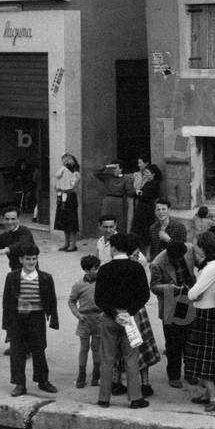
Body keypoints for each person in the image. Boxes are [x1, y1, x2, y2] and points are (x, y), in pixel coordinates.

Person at [94, 231, 151, 409]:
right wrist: (129, 312)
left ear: (114, 248)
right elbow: (144, 295)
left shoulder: (104, 269)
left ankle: (104, 398)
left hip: (110, 318)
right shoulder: (137, 268)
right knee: (131, 358)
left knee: (107, 358)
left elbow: (99, 299)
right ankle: (135, 398)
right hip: (130, 317)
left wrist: (114, 313)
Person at [3, 244, 59, 397]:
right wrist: (6, 324)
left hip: (37, 318)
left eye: (34, 259)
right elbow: (7, 301)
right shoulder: (13, 277)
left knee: (39, 349)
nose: (31, 262)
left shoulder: (45, 278)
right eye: (28, 259)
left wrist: (53, 318)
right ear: (21, 260)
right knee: (17, 352)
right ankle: (19, 384)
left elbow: (52, 300)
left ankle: (43, 380)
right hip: (17, 319)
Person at [184, 229, 215, 409]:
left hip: (207, 314)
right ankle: (207, 393)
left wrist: (193, 292)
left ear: (203, 248)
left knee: (205, 359)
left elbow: (192, 294)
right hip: (205, 312)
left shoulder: (212, 268)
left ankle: (214, 397)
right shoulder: (211, 265)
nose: (194, 248)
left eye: (197, 245)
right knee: (201, 358)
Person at [151, 238, 197, 389]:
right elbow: (154, 287)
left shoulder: (189, 249)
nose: (178, 260)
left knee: (191, 340)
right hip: (171, 303)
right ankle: (174, 376)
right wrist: (170, 288)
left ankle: (190, 372)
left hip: (189, 299)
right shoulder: (157, 263)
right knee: (173, 343)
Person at [68, 255, 103, 388]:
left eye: (98, 268)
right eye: (95, 269)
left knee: (96, 348)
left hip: (99, 319)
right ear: (86, 270)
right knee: (84, 348)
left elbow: (107, 299)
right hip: (84, 319)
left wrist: (104, 313)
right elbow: (71, 301)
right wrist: (77, 314)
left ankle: (96, 374)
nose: (98, 271)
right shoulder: (78, 285)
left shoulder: (102, 282)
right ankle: (81, 374)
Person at [0, 205, 38, 273]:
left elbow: (23, 243)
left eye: (13, 219)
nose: (10, 222)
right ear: (3, 219)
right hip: (14, 272)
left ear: (18, 219)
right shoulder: (2, 237)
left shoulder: (25, 231)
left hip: (32, 272)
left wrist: (6, 250)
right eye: (7, 219)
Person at [93, 161, 131, 234]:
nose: (114, 170)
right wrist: (107, 166)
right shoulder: (108, 177)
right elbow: (96, 173)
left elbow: (129, 190)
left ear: (121, 169)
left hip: (119, 201)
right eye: (113, 169)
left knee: (119, 221)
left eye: (116, 168)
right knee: (105, 220)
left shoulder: (125, 178)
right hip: (108, 200)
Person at [131, 163, 161, 251]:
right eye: (145, 173)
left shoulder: (154, 184)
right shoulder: (147, 183)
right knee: (140, 229)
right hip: (142, 208)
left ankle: (147, 252)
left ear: (153, 174)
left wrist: (138, 192)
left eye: (147, 173)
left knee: (146, 231)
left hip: (147, 210)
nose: (145, 175)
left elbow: (143, 194)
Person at [54, 153, 81, 252]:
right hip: (62, 196)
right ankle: (66, 243)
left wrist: (63, 188)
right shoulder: (63, 173)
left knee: (72, 221)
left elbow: (73, 186)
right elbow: (56, 183)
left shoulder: (76, 173)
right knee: (64, 221)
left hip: (70, 197)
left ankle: (73, 244)